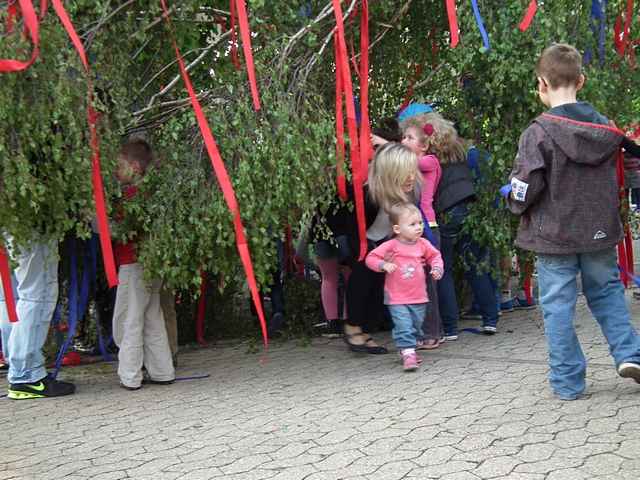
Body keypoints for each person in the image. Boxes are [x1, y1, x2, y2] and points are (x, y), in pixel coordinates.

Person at [506, 43, 640, 400]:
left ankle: (568, 382)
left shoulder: (537, 132)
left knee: (558, 306)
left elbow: (525, 186)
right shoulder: (606, 129)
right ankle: (630, 354)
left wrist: (512, 201)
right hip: (599, 229)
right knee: (608, 293)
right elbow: (626, 170)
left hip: (554, 235)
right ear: (581, 80)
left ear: (541, 84)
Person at [342, 143, 423, 354]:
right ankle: (352, 327)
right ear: (390, 173)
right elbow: (353, 228)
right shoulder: (369, 195)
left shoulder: (408, 193)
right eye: (405, 173)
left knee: (378, 288)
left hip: (384, 245)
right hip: (363, 244)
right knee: (361, 283)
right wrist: (364, 253)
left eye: (412, 172)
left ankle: (365, 330)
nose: (411, 177)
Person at [425, 112, 499, 339]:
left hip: (446, 213)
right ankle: (490, 319)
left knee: (443, 269)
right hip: (471, 207)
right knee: (476, 265)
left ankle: (450, 328)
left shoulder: (429, 159)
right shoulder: (463, 152)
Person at [112, 139, 175, 390]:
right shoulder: (155, 195)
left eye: (119, 165)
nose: (115, 171)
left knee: (128, 318)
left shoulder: (131, 196)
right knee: (152, 316)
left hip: (133, 265)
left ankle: (129, 374)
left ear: (135, 167)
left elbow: (118, 229)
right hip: (152, 264)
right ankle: (162, 370)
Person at [365, 203, 443, 371]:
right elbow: (370, 258)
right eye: (412, 224)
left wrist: (437, 268)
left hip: (419, 296)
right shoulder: (391, 246)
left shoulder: (423, 244)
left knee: (415, 326)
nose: (418, 227)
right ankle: (408, 353)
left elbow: (435, 256)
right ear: (397, 229)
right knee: (404, 325)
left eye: (420, 223)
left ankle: (406, 347)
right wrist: (383, 264)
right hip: (396, 297)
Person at [0, 243, 73, 399]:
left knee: (9, 296)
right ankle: (27, 375)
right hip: (30, 226)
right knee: (36, 294)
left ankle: (17, 366)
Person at [400, 116, 443, 348]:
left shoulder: (430, 161)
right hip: (417, 227)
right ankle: (431, 330)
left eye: (409, 138)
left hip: (427, 227)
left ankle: (431, 333)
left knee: (428, 283)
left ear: (424, 145)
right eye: (403, 137)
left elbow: (409, 164)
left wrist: (387, 148)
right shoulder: (412, 165)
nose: (403, 141)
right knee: (420, 282)